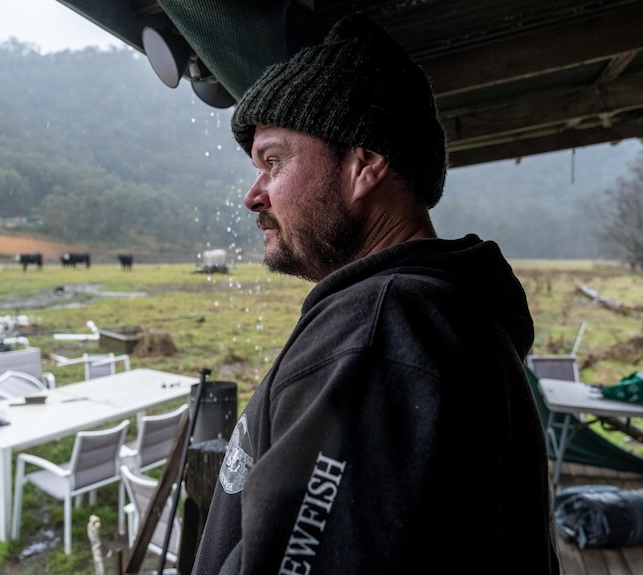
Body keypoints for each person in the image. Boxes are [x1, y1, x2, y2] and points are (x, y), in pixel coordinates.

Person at [191, 13, 559, 575]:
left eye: (273, 161)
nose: (252, 196)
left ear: (363, 164)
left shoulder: (378, 335)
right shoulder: (433, 318)